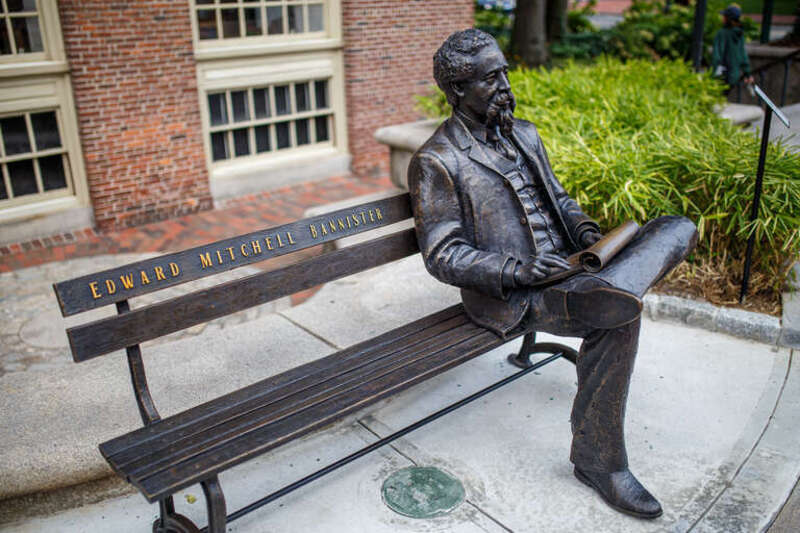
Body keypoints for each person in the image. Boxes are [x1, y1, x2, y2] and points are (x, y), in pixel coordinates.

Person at [408, 29, 698, 519]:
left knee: (678, 226)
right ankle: (599, 463)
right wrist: (516, 269)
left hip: (573, 270)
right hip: (516, 294)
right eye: (489, 77)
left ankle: (606, 288)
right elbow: (443, 255)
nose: (504, 83)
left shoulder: (525, 133)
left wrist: (588, 234)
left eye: (504, 70)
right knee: (619, 319)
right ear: (457, 91)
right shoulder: (438, 161)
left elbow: (559, 201)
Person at [711, 4, 754, 88]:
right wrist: (747, 74)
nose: (722, 18)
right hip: (734, 75)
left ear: (728, 19)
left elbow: (717, 55)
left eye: (724, 16)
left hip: (722, 74)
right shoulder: (739, 34)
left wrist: (713, 74)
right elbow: (743, 56)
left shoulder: (722, 33)